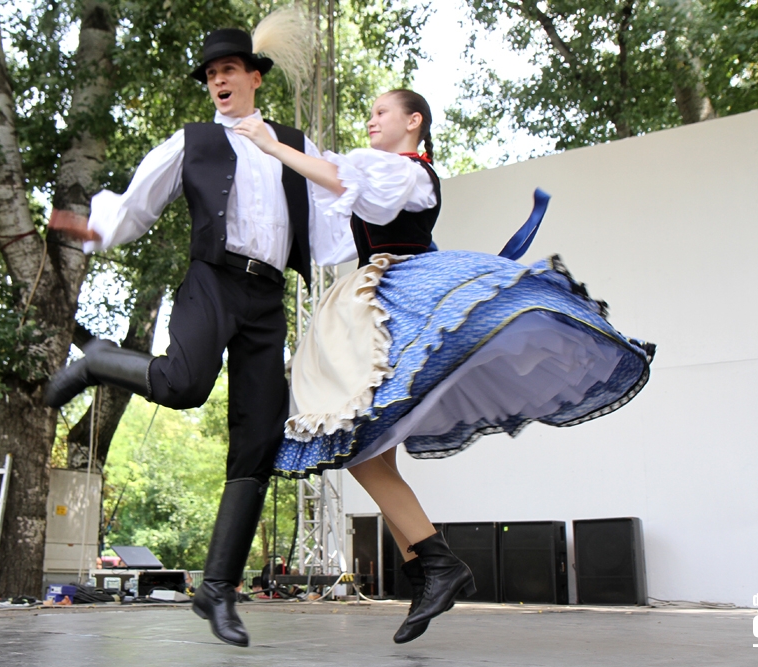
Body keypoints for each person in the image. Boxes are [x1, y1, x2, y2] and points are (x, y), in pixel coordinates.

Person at [235, 89, 655, 643]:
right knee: (366, 455)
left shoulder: (411, 173)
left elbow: (339, 178)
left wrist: (272, 144)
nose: (371, 120)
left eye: (381, 112)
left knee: (359, 450)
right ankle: (430, 571)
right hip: (373, 301)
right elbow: (334, 193)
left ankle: (436, 564)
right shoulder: (379, 172)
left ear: (413, 121)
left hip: (395, 301)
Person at [45, 13, 354, 648]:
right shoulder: (194, 142)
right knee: (184, 385)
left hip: (267, 296)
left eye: (229, 70)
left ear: (254, 78)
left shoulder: (294, 143)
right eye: (211, 74)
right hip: (213, 281)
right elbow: (137, 203)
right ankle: (100, 360)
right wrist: (94, 229)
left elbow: (338, 200)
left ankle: (216, 588)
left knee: (259, 439)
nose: (218, 80)